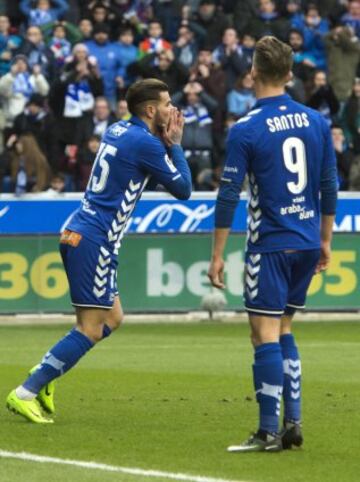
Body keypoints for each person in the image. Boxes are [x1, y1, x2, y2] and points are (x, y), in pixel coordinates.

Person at [6, 78, 192, 423]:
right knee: (90, 328)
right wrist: (175, 145)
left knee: (113, 318)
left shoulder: (119, 130)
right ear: (151, 110)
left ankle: (46, 372)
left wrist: (161, 142)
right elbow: (183, 189)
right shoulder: (146, 143)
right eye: (167, 104)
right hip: (95, 240)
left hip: (80, 230)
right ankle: (26, 391)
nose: (173, 110)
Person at [207, 36, 337, 452]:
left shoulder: (246, 128)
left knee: (262, 333)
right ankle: (292, 422)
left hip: (271, 245)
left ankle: (266, 431)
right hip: (306, 241)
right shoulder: (317, 122)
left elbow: (229, 194)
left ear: (254, 74)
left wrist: (216, 255)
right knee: (283, 328)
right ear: (289, 74)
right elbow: (328, 185)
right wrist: (326, 241)